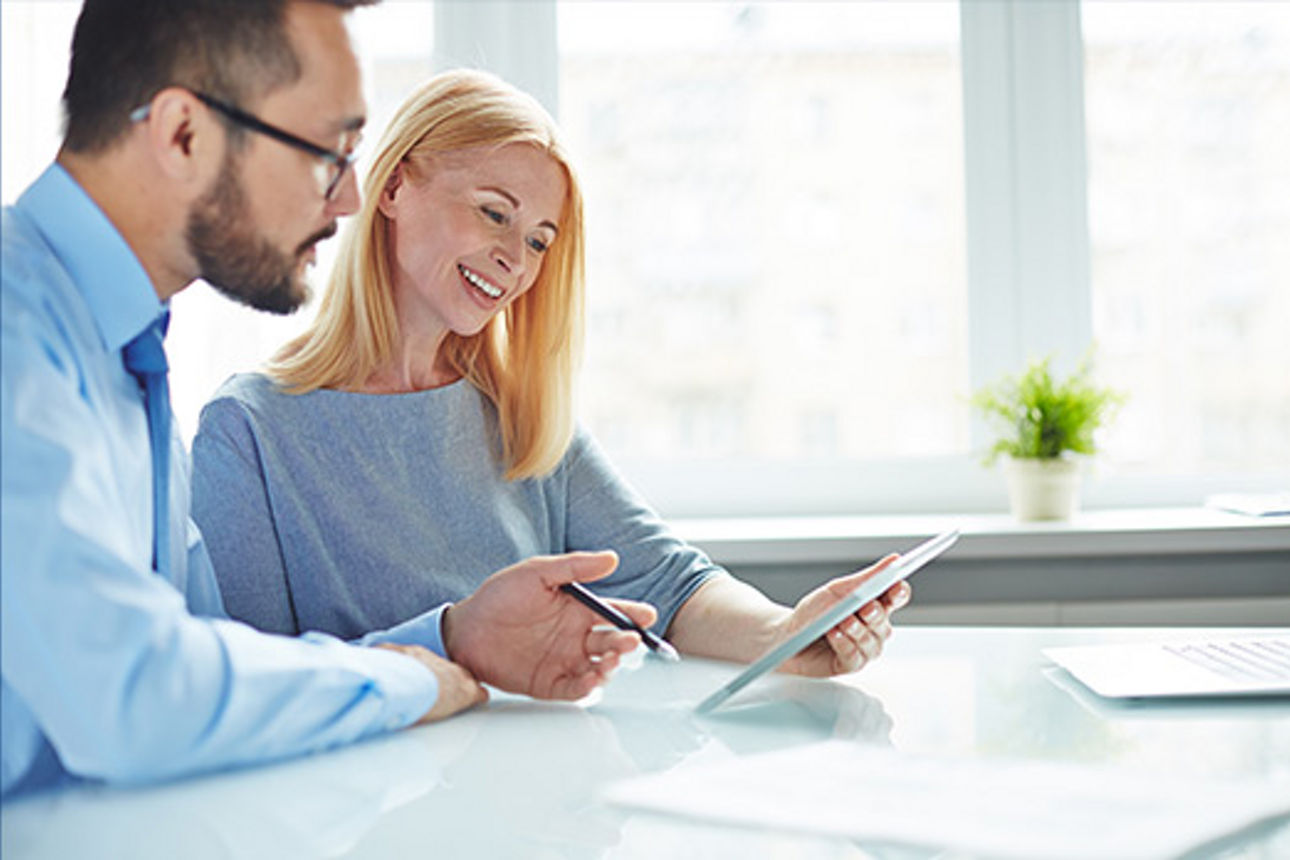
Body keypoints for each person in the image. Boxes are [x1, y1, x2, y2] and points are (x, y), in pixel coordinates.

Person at [1, 0, 655, 799]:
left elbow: (219, 658)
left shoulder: (122, 361)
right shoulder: (18, 343)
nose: (350, 198)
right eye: (326, 151)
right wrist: (412, 679)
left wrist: (451, 639)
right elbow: (136, 694)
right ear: (184, 135)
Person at [190, 69, 912, 681]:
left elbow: (671, 583)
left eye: (539, 239)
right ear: (395, 186)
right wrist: (453, 636)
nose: (517, 259)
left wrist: (781, 636)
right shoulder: (249, 430)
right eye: (494, 213)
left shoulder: (517, 416)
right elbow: (253, 683)